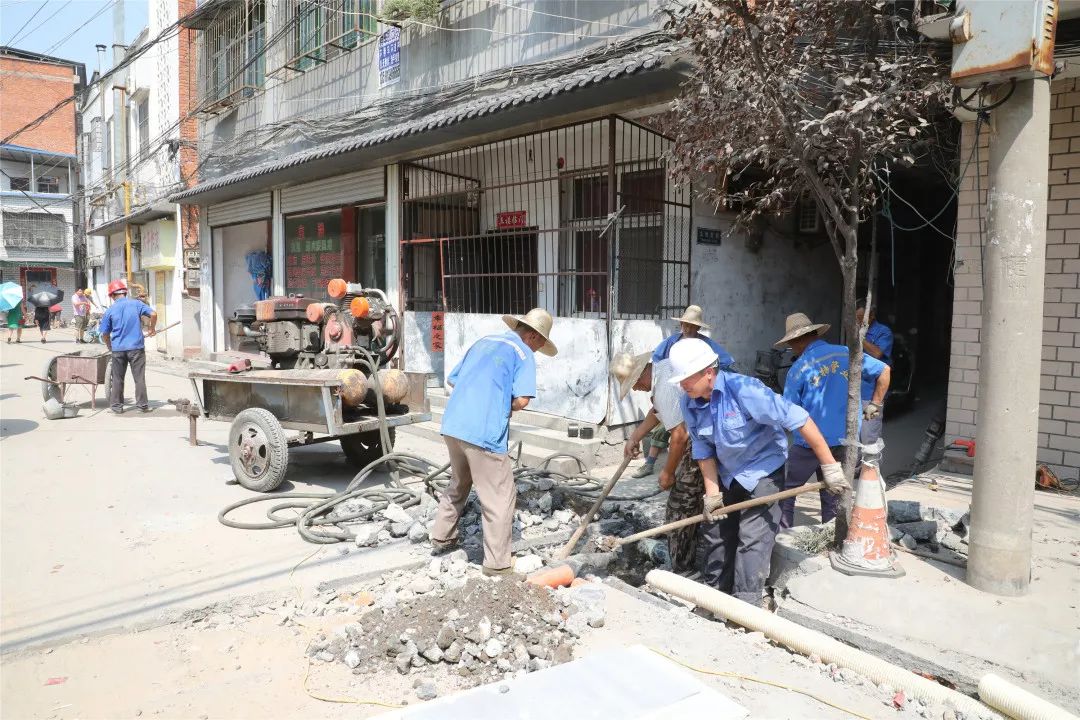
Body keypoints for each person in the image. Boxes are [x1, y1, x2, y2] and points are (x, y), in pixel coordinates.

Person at [669, 338, 848, 605]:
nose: (682, 385)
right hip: (728, 472)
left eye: (686, 378)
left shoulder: (745, 390)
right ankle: (713, 599)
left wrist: (829, 466)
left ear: (708, 372)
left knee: (752, 538)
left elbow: (800, 419)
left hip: (764, 470)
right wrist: (712, 494)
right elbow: (703, 450)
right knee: (716, 532)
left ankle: (745, 606)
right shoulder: (690, 402)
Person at [429, 308, 557, 577]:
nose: (537, 349)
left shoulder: (483, 342)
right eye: (540, 344)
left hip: (454, 425)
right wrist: (501, 404)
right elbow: (521, 400)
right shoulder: (523, 353)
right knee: (499, 496)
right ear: (533, 336)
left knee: (460, 481)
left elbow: (453, 379)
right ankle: (497, 564)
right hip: (484, 431)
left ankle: (442, 536)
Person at [776, 312, 890, 528]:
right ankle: (831, 535)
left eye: (791, 344)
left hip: (809, 445)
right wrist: (875, 404)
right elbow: (885, 370)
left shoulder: (798, 369)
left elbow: (788, 412)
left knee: (786, 492)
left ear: (796, 341)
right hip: (845, 441)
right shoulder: (846, 353)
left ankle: (783, 535)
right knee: (833, 492)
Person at [611, 351, 702, 576]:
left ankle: (683, 569)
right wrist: (635, 437)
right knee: (691, 500)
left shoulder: (664, 387)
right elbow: (658, 411)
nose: (635, 389)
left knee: (680, 505)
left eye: (633, 384)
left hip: (702, 439)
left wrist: (668, 472)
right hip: (699, 433)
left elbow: (679, 435)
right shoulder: (662, 370)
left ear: (641, 373)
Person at [634, 305, 735, 479]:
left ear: (698, 328)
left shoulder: (706, 345)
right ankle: (652, 463)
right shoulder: (671, 343)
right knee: (667, 427)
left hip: (699, 399)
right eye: (684, 325)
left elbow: (725, 363)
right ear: (681, 324)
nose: (687, 329)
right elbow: (657, 363)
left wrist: (707, 379)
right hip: (674, 394)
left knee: (692, 437)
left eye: (691, 326)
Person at [99, 279, 157, 414]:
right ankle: (142, 406)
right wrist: (151, 328)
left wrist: (109, 345)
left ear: (112, 295)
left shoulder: (110, 310)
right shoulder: (136, 304)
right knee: (139, 378)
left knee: (118, 378)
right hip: (136, 348)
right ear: (125, 293)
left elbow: (105, 334)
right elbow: (153, 314)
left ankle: (116, 407)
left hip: (118, 349)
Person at [856, 301, 893, 444]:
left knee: (869, 434)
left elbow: (877, 353)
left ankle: (870, 459)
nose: (857, 322)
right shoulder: (857, 329)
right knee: (854, 435)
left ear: (871, 316)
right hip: (855, 392)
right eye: (856, 318)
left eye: (860, 318)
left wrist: (860, 337)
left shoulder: (883, 332)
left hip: (872, 395)